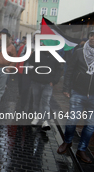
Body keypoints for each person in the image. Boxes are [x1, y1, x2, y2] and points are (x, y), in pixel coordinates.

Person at [57, 30, 94, 163]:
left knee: (90, 126)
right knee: (72, 121)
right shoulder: (79, 52)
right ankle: (67, 142)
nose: (93, 38)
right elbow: (69, 71)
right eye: (91, 35)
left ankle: (81, 150)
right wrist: (66, 88)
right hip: (78, 92)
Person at [29, 40, 61, 131]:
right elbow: (31, 63)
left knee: (45, 102)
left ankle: (45, 120)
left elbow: (59, 69)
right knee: (36, 101)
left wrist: (54, 81)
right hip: (36, 81)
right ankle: (36, 117)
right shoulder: (37, 53)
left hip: (48, 83)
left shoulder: (55, 55)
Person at [0, 28, 17, 112]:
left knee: (0, 88)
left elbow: (14, 59)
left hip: (3, 69)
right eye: (0, 34)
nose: (2, 36)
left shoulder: (11, 47)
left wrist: (9, 68)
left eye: (4, 35)